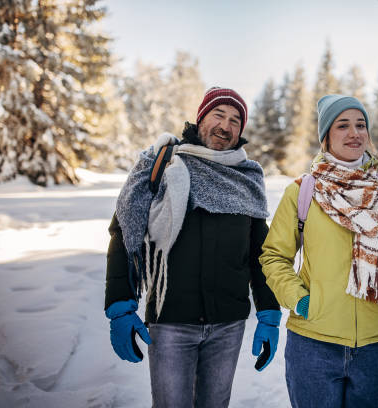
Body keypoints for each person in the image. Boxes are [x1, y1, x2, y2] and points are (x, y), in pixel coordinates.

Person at [259, 94, 378, 408]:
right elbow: (274, 256)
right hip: (313, 344)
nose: (354, 133)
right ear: (326, 136)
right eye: (342, 125)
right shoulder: (303, 191)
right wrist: (300, 301)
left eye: (360, 125)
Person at [104, 87, 281, 408]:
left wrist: (269, 312)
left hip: (228, 326)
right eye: (218, 114)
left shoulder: (247, 177)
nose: (225, 126)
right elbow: (124, 233)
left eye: (235, 120)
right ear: (201, 118)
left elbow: (260, 255)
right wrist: (120, 305)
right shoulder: (164, 165)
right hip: (170, 322)